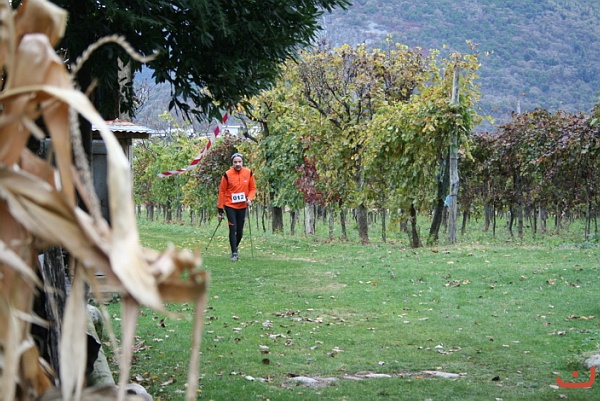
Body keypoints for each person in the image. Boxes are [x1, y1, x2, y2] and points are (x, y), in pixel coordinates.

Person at [217, 153, 256, 261]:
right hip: (230, 205)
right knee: (232, 227)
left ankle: (235, 246)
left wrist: (249, 199)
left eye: (239, 162)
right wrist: (220, 209)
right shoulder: (227, 174)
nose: (237, 164)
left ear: (242, 162)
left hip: (242, 205)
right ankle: (234, 253)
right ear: (232, 163)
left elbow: (253, 188)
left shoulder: (248, 172)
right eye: (235, 162)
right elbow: (222, 191)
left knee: (240, 231)